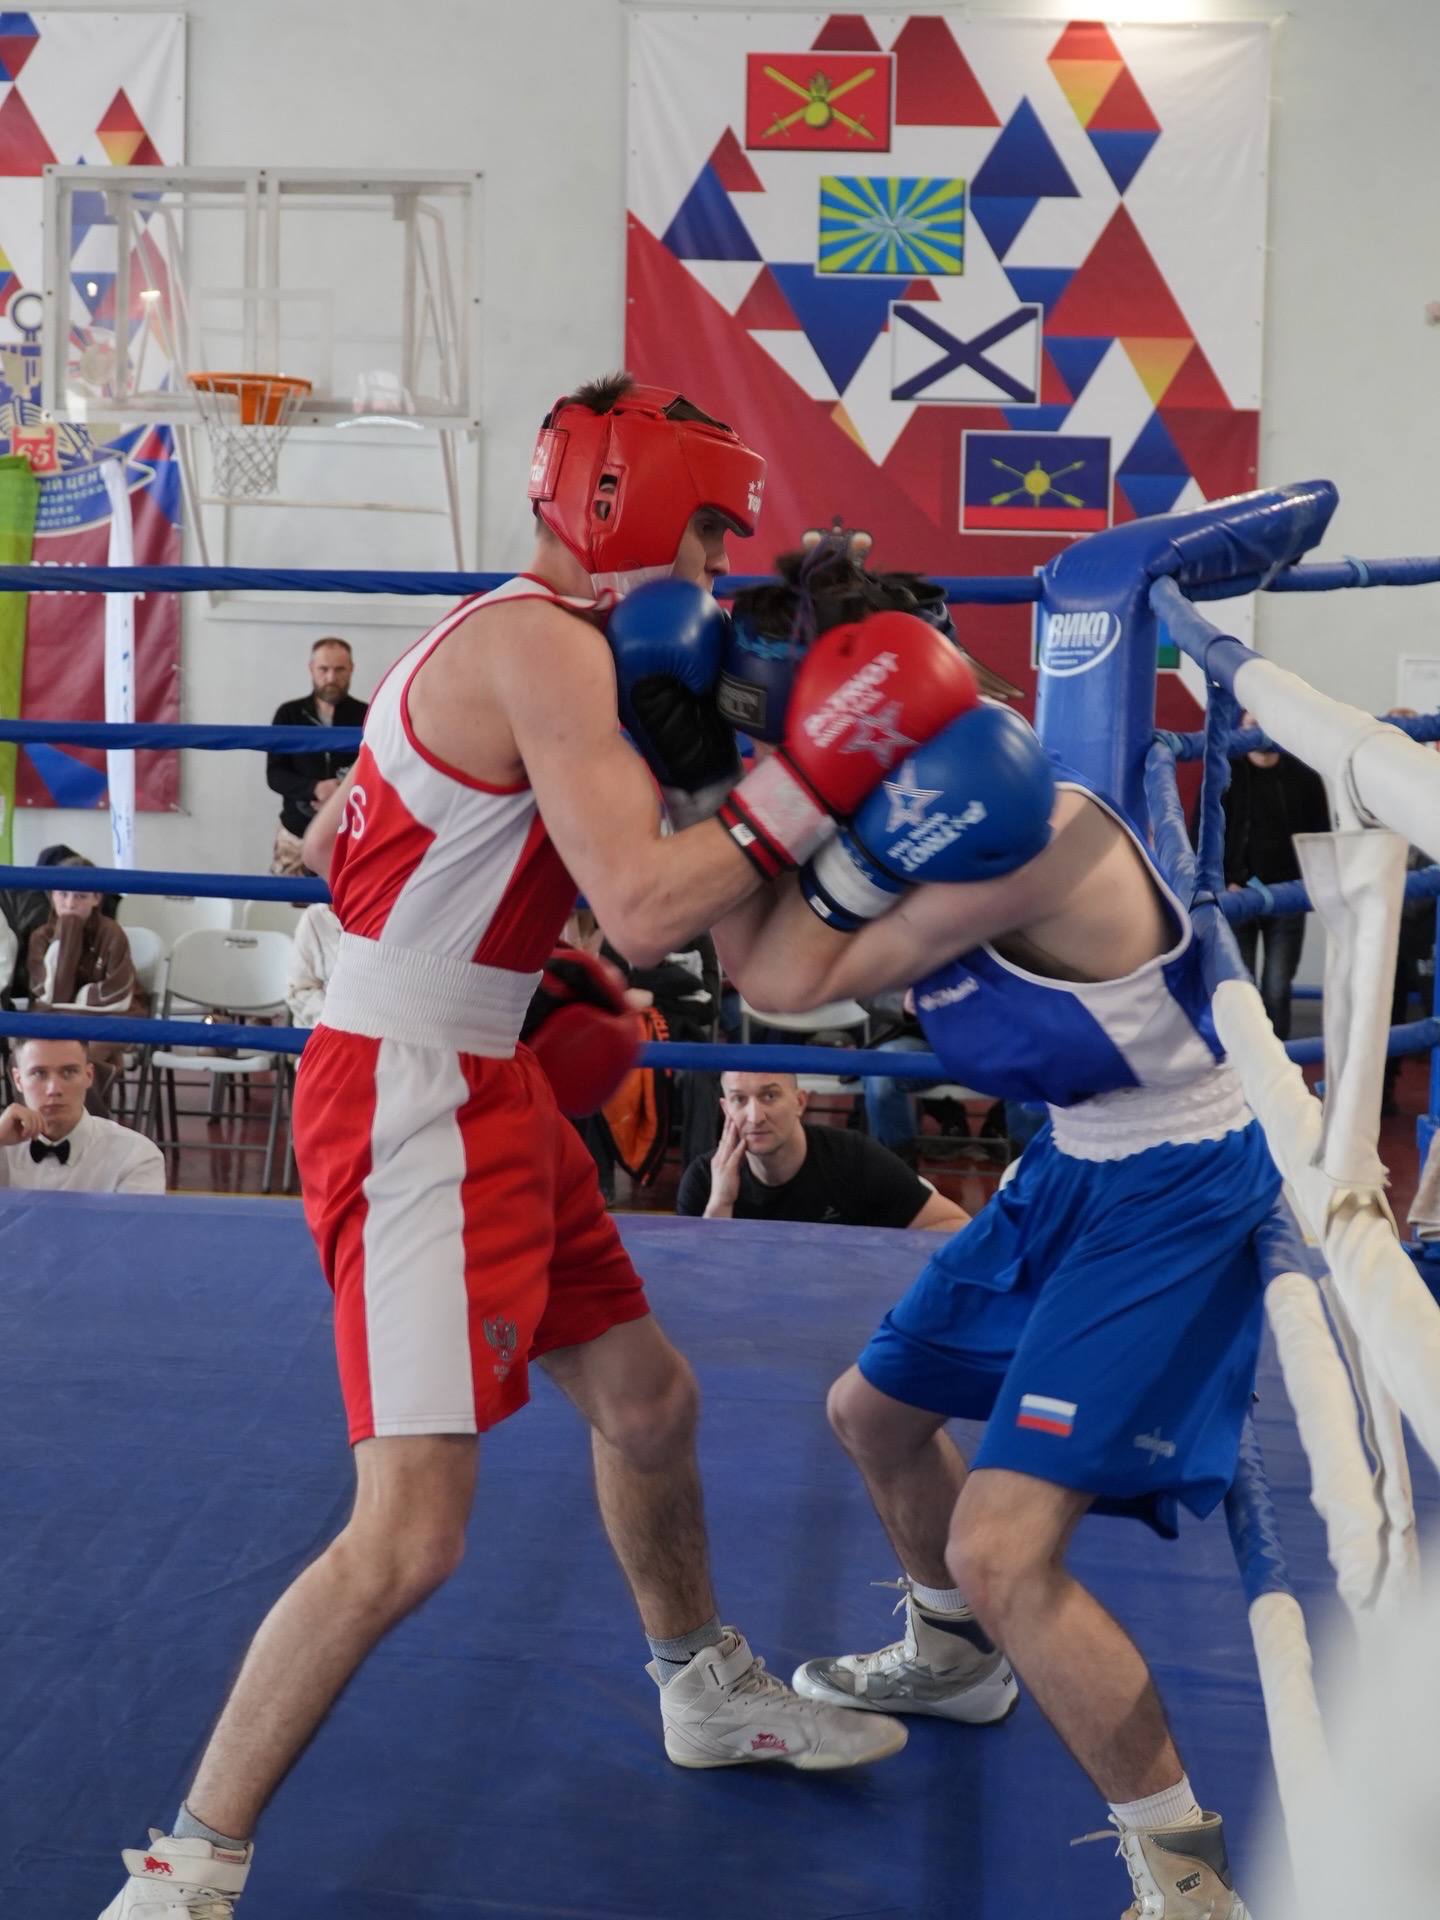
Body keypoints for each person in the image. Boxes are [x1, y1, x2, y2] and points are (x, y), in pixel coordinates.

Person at [97, 374, 984, 1917]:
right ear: (621, 504)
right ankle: (187, 1865)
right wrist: (813, 775)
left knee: (647, 1401)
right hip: (412, 1093)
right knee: (408, 1538)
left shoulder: (559, 644)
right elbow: (643, 901)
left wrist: (541, 959)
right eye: (707, 531)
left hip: (483, 1065)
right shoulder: (542, 645)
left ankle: (699, 1683)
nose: (716, 564)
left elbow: (430, 856)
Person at [698, 548, 1277, 1919]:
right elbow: (756, 965)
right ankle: (956, 1661)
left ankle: (1186, 1879)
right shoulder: (900, 828)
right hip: (1073, 1160)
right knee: (873, 1414)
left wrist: (744, 813)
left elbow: (774, 970)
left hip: (1178, 1182)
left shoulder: (1024, 832)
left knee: (1004, 1549)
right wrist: (716, 786)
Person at [677, 1068, 967, 1230]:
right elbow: (695, 1282)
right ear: (725, 1109)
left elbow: (954, 1225)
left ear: (800, 1102)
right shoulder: (704, 1179)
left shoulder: (854, 1159)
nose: (755, 1117)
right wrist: (721, 1203)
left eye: (769, 1096)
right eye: (739, 1100)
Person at [1221, 711, 1330, 1040]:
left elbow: (1320, 837)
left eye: (1264, 722)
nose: (1258, 731)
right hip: (1237, 894)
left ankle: (1278, 1058)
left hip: (1288, 897)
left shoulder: (1305, 777)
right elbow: (1203, 833)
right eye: (1251, 724)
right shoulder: (1224, 775)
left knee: (1277, 988)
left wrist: (1308, 886)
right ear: (1241, 728)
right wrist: (1224, 881)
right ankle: (1241, 1061)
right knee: (1241, 988)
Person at [26, 854, 146, 1113]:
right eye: (63, 894)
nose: (70, 903)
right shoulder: (41, 937)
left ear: (96, 898)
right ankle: (40, 1125)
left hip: (112, 1018)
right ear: (52, 896)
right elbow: (49, 995)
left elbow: (117, 996)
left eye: (80, 896)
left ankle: (86, 1127)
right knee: (27, 1053)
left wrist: (72, 1009)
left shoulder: (112, 933)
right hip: (59, 1021)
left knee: (80, 1057)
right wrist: (67, 934)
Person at [0, 1034, 164, 1192]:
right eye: (39, 1073)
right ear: (18, 1080)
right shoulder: (3, 1147)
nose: (54, 1089)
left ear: (88, 1075)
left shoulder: (135, 1155)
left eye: (68, 1072)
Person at [266, 638, 368, 876]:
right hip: (296, 834)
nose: (331, 677)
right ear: (311, 669)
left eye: (339, 669)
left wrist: (339, 793)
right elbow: (275, 774)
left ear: (351, 669)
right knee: (288, 899)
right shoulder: (289, 714)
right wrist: (315, 788)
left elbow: (379, 774)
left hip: (351, 836)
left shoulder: (368, 715)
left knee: (346, 901)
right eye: (324, 669)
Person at [285, 900, 341, 1028]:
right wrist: (332, 1021)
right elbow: (299, 989)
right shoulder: (313, 917)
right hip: (322, 1025)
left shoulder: (382, 916)